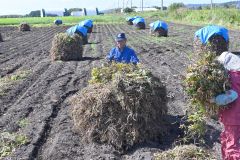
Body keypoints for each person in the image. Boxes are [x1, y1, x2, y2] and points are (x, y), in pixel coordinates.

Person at [216, 51, 240, 160]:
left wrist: (214, 99)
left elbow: (231, 95)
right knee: (226, 139)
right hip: (233, 117)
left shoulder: (231, 77)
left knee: (232, 146)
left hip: (233, 117)